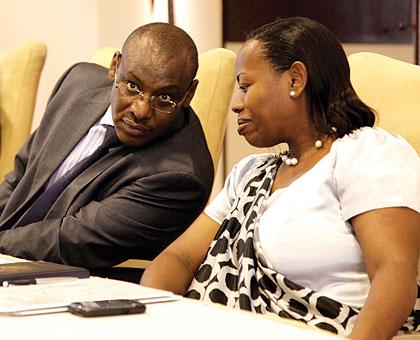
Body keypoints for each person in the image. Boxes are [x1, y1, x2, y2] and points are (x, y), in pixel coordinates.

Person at [141, 17, 420, 339]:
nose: (236, 103)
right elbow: (179, 257)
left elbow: (394, 273)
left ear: (295, 80)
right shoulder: (251, 173)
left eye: (245, 86)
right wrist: (155, 315)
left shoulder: (366, 152)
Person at [0, 22, 214, 281]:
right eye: (133, 86)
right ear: (115, 67)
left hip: (71, 283)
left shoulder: (179, 177)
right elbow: (20, 178)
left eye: (164, 98)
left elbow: (71, 239)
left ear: (189, 94)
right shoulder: (77, 85)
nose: (141, 110)